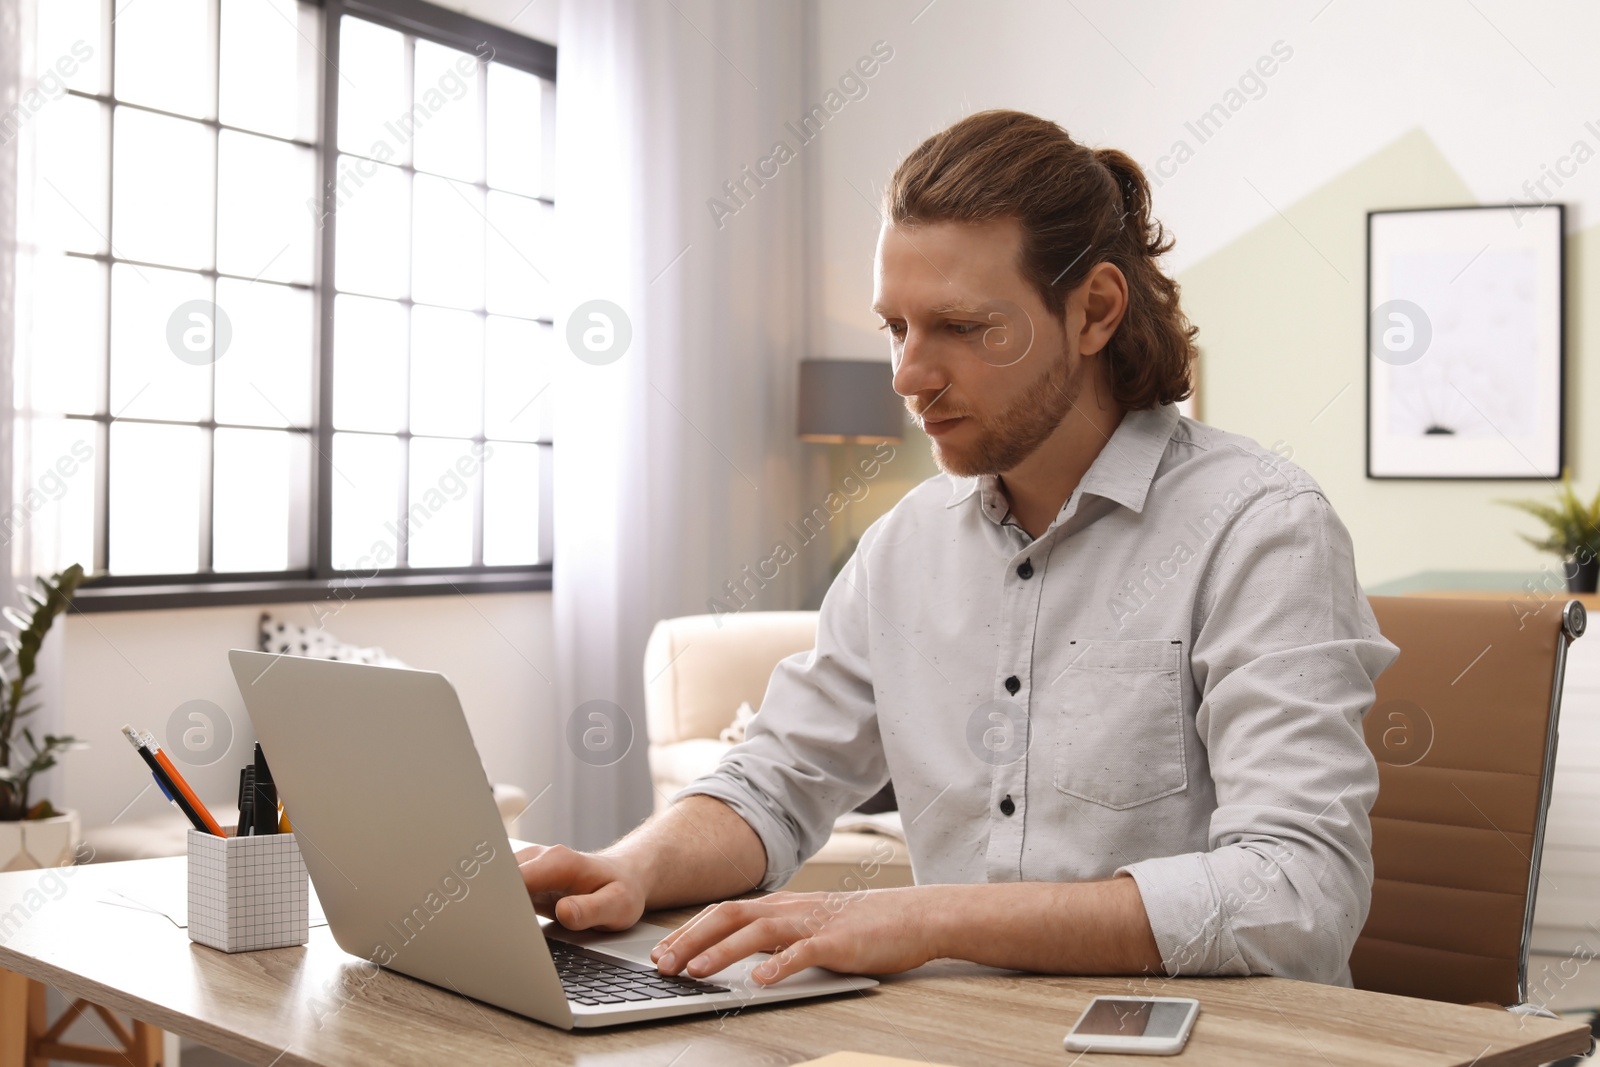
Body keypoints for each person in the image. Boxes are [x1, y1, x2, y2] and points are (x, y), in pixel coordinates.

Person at [518, 109, 1398, 988]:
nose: (908, 374)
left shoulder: (1262, 528)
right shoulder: (903, 545)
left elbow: (1299, 895)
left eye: (962, 327)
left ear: (1093, 311)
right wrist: (633, 866)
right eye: (896, 328)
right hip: (950, 1037)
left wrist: (926, 916)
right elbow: (775, 781)